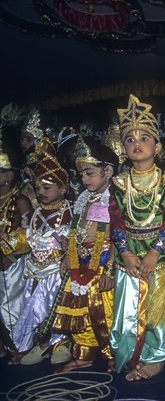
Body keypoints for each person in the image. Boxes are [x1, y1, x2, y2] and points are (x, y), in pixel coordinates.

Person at [109, 94, 165, 381]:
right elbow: (116, 220)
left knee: (158, 308)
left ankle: (156, 357)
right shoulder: (118, 183)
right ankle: (129, 355)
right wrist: (127, 253)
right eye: (130, 139)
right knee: (126, 308)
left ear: (158, 146)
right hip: (128, 254)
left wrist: (155, 252)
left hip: (159, 255)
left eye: (144, 138)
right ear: (123, 147)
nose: (137, 143)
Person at [52, 136, 118, 373]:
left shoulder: (115, 197)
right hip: (79, 262)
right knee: (80, 312)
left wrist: (110, 269)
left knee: (103, 312)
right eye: (81, 174)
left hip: (101, 262)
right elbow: (75, 229)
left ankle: (113, 354)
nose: (84, 178)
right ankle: (85, 355)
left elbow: (119, 236)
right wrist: (68, 255)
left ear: (108, 171)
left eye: (89, 173)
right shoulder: (83, 197)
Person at [10, 138, 73, 365]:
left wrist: (70, 248)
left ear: (63, 188)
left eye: (47, 187)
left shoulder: (71, 211)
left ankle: (61, 343)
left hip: (57, 272)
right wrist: (10, 240)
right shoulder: (36, 212)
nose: (41, 192)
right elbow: (26, 240)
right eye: (38, 188)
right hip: (34, 272)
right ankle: (40, 344)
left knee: (56, 307)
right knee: (33, 308)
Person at [0, 138, 32, 359]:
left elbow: (31, 233)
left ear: (9, 175)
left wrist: (7, 247)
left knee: (11, 305)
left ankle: (19, 347)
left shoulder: (20, 201)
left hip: (12, 262)